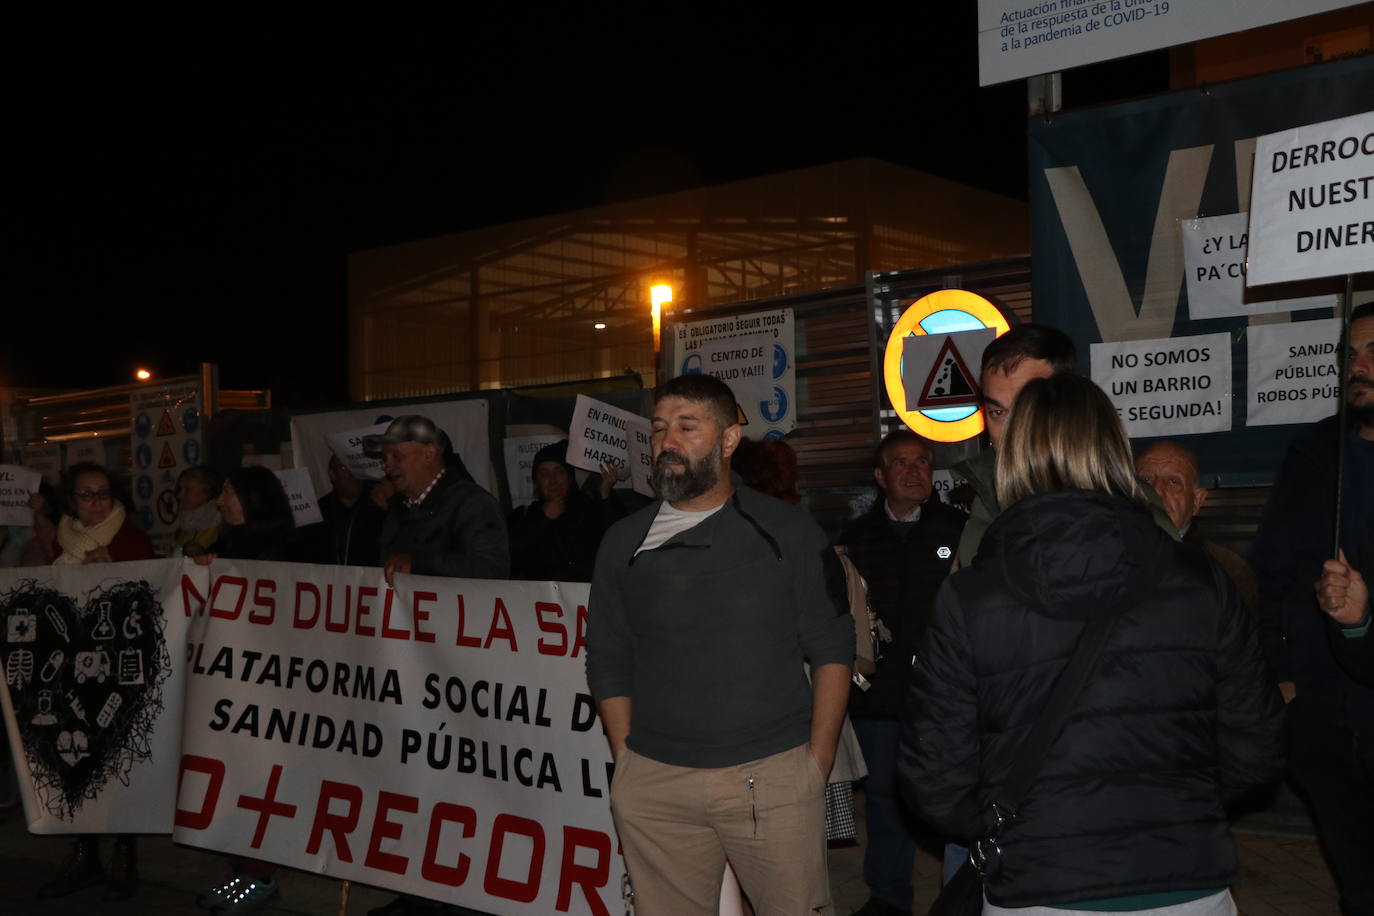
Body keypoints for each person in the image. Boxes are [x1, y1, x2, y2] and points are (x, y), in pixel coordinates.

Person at [900, 374, 1285, 914]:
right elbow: (1258, 746)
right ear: (1114, 453)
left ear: (1015, 458)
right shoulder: (1201, 581)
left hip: (1038, 887)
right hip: (1185, 880)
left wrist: (1011, 822)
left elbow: (933, 777)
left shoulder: (972, 596)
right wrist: (1179, 805)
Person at [585, 373, 854, 916]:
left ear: (729, 440)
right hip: (656, 786)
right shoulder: (623, 542)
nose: (667, 442)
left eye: (687, 427)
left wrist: (814, 766)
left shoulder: (786, 531)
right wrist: (630, 763)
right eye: (659, 428)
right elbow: (609, 657)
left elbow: (831, 646)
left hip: (771, 780)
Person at [1252, 302, 1374, 915]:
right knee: (1356, 876)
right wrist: (1284, 674)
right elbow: (1271, 570)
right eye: (1349, 354)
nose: (1359, 367)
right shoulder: (1312, 453)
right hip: (1324, 712)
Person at [835, 429, 964, 916]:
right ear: (880, 476)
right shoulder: (856, 538)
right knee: (886, 800)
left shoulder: (957, 530)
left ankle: (959, 895)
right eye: (902, 463)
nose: (914, 472)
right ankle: (889, 898)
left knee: (948, 798)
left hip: (942, 696)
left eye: (922, 463)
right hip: (881, 700)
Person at [37, 463, 155, 902]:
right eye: (86, 494)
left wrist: (116, 571)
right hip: (73, 666)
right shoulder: (63, 538)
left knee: (117, 760)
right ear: (71, 501)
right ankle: (85, 854)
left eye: (103, 492)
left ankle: (125, 857)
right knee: (75, 760)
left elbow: (151, 596)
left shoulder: (130, 538)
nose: (97, 501)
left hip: (119, 667)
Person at [195, 464, 295, 913]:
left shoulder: (286, 549)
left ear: (254, 499)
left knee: (258, 781)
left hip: (270, 690)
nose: (220, 502)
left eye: (230, 493)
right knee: (232, 778)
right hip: (228, 687)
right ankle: (240, 872)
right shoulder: (225, 546)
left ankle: (258, 876)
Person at [953, 323, 1078, 565]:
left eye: (1027, 411)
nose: (1012, 431)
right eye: (998, 412)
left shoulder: (1124, 504)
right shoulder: (984, 500)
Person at [363, 415, 508, 584]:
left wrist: (418, 563)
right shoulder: (398, 506)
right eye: (384, 458)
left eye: (397, 456)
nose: (386, 466)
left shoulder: (473, 503)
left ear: (428, 454)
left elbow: (492, 570)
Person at [1136, 441, 1258, 612]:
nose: (1157, 491)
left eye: (1173, 482)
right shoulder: (1106, 558)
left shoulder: (1227, 571)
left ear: (1197, 501)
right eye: (1146, 479)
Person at [507, 440, 620, 581]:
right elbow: (508, 555)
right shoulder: (522, 516)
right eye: (544, 474)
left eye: (559, 472)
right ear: (536, 481)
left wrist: (606, 497)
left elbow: (620, 544)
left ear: (570, 478)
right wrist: (543, 517)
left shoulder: (592, 506)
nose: (553, 480)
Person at [309, 454, 386, 567]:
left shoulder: (379, 509)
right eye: (344, 467)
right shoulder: (317, 512)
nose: (352, 472)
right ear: (332, 474)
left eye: (355, 466)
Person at [171, 465, 224, 557]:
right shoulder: (181, 528)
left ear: (207, 493)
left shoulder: (222, 528)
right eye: (180, 489)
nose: (180, 495)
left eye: (187, 490)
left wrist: (204, 554)